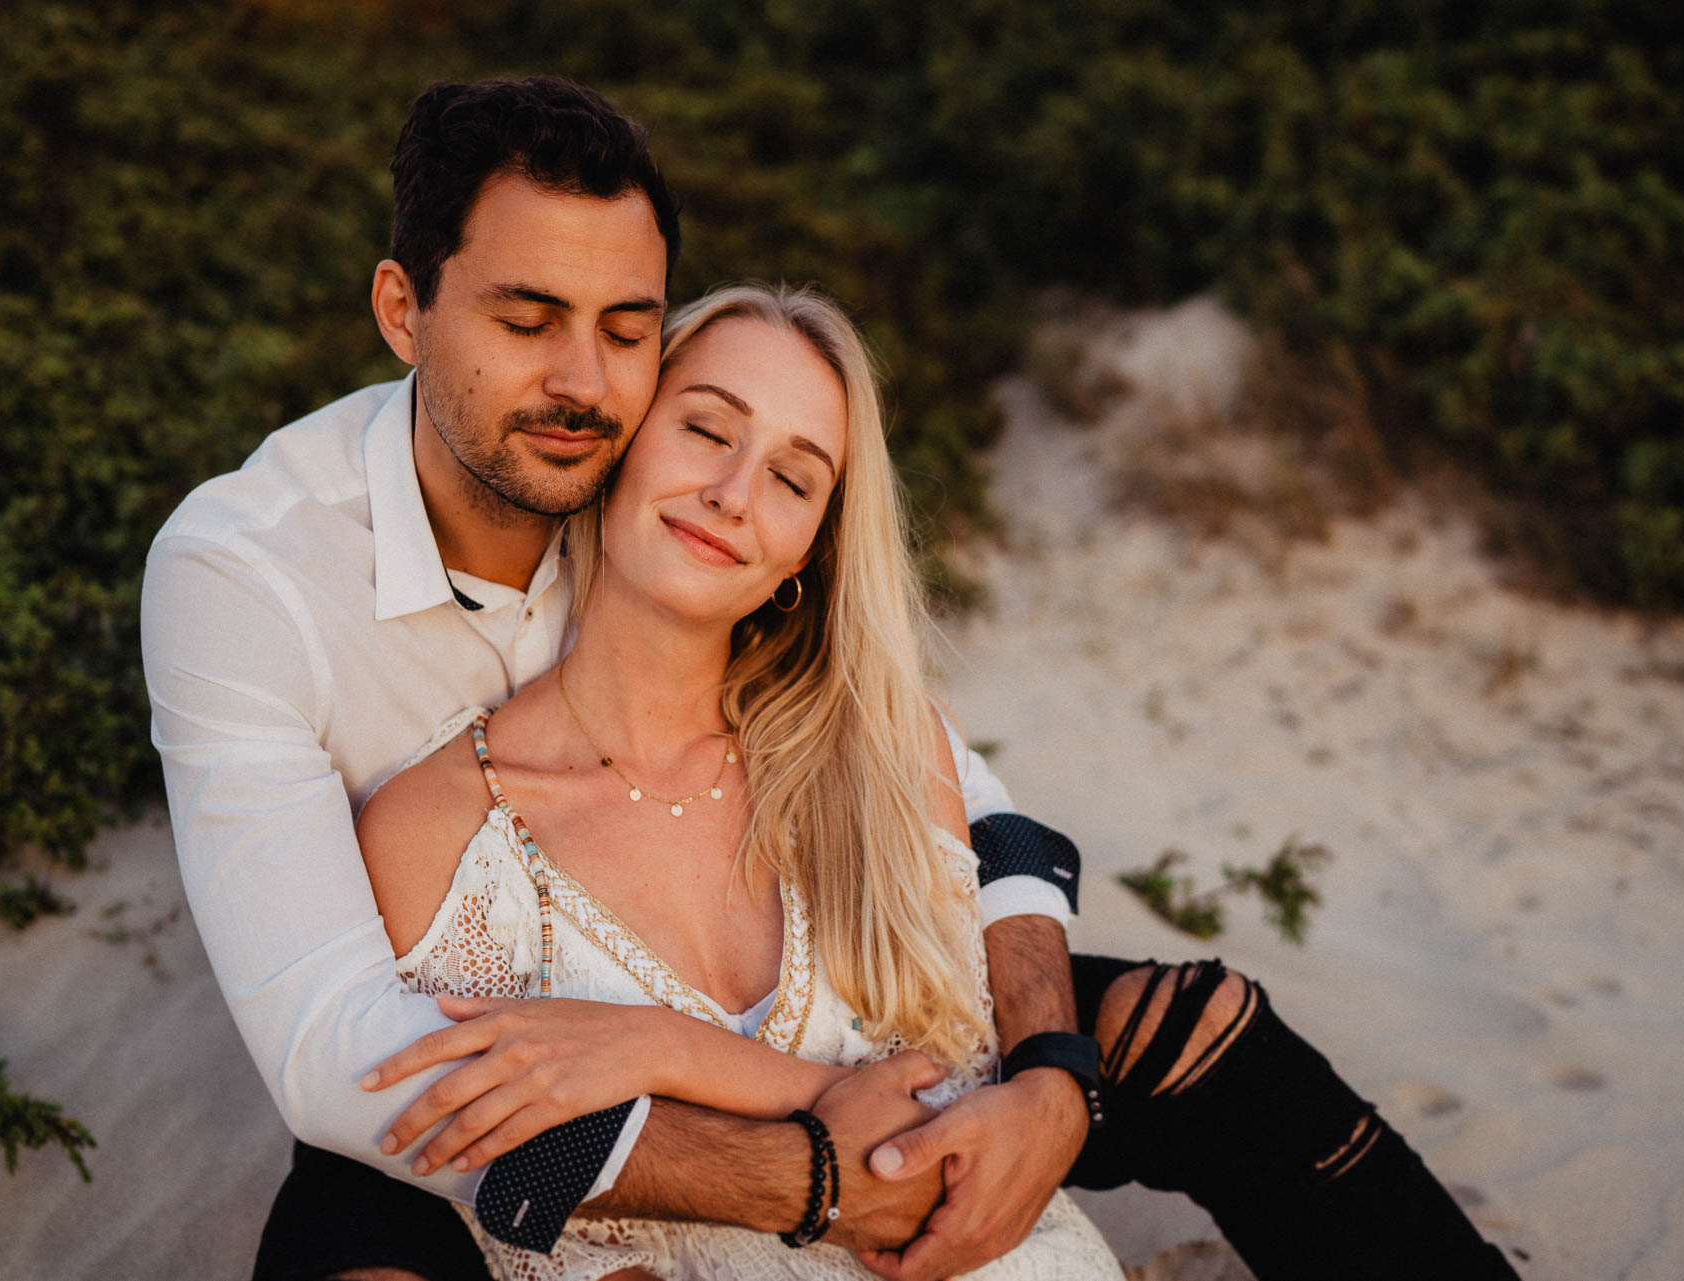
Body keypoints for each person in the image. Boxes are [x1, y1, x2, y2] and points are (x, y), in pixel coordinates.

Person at [141, 77, 1518, 1281]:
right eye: (525, 318)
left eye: (627, 328)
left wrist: (1049, 1083)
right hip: (474, 1051)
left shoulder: (647, 467)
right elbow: (342, 1056)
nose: (581, 379)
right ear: (402, 307)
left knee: (1200, 1033)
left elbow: (993, 829)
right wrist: (811, 1163)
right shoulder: (249, 574)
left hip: (802, 993)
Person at [356, 281, 1126, 1281]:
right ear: (622, 437)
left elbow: (946, 1126)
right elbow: (501, 1184)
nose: (733, 495)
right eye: (708, 429)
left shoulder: (879, 754)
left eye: (793, 481)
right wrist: (794, 1102)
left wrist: (661, 1053)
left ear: (806, 553)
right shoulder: (442, 834)